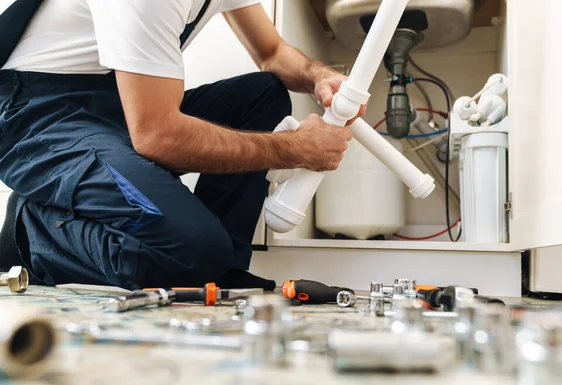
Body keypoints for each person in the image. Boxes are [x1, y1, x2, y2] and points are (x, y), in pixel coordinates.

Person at [0, 0, 366, 290]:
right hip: (40, 116)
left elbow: (271, 52)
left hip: (115, 105)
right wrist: (297, 147)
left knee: (263, 95)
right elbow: (158, 136)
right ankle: (33, 228)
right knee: (192, 252)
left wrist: (319, 75)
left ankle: (222, 271)